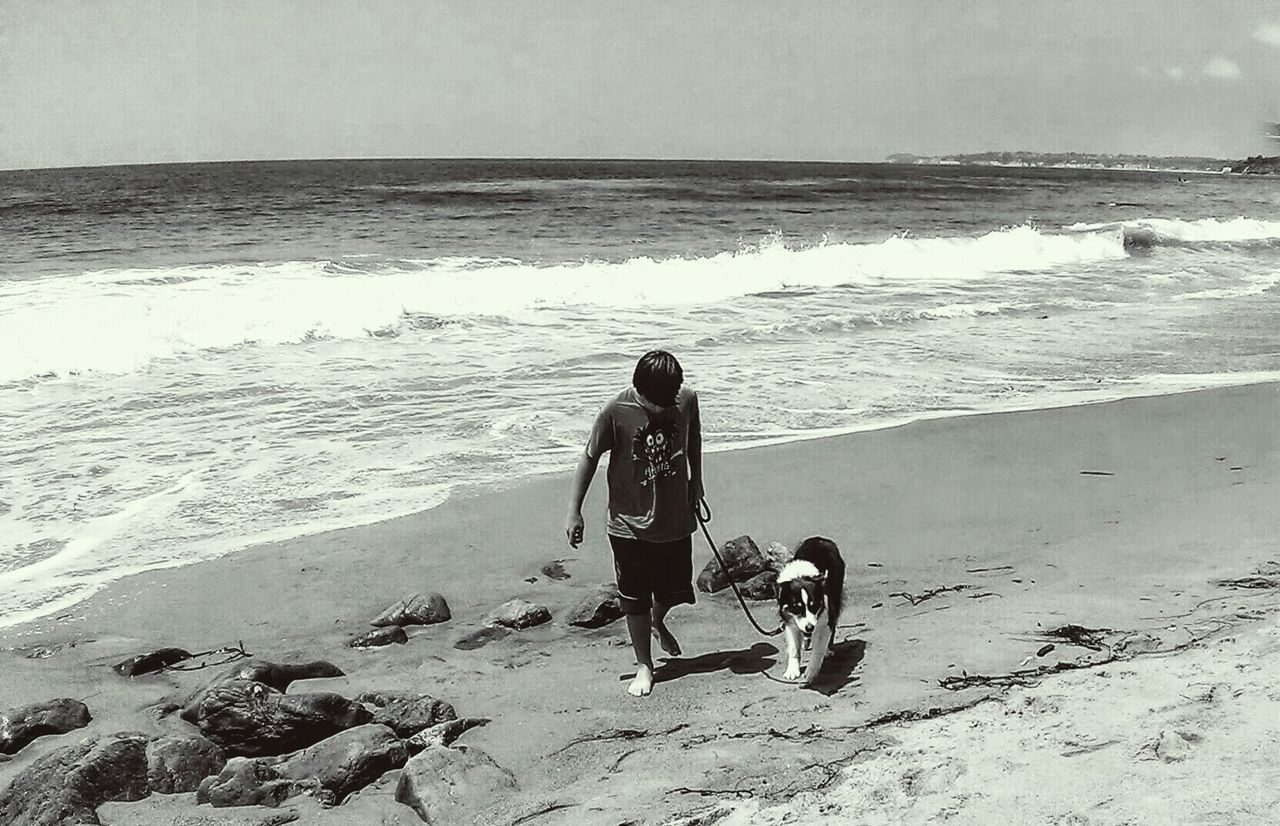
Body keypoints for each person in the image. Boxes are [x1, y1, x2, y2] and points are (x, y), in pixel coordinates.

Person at [564, 350, 704, 697]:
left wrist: (696, 481)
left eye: (670, 399)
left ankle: (658, 620)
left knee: (676, 590)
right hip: (628, 524)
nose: (666, 407)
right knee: (634, 598)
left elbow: (693, 438)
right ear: (639, 390)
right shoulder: (615, 410)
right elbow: (589, 456)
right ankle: (645, 664)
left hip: (673, 518)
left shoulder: (685, 399)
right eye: (657, 403)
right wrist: (574, 510)